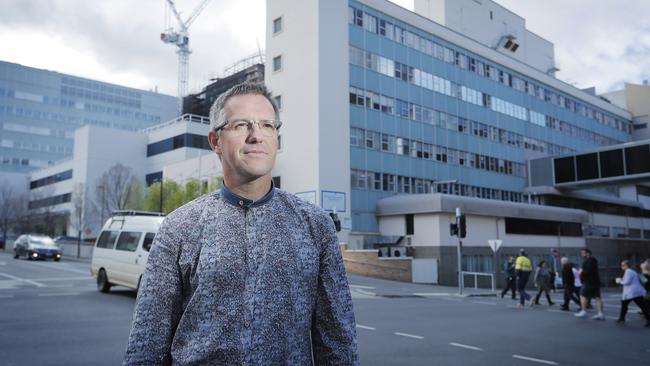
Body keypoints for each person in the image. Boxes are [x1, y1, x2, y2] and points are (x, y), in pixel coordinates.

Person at [124, 82, 359, 365]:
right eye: (241, 125)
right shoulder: (179, 227)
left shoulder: (315, 226)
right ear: (215, 141)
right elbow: (147, 344)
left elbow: (338, 342)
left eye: (267, 125)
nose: (256, 136)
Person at [615, 260, 650, 327]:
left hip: (632, 293)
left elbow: (627, 282)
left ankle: (622, 318)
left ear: (626, 265)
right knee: (641, 305)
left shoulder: (628, 272)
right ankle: (622, 318)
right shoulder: (631, 271)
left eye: (622, 265)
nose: (621, 266)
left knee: (639, 306)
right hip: (633, 292)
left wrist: (619, 281)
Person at [574, 248, 605, 321]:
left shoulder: (588, 261)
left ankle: (584, 311)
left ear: (587, 253)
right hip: (595, 281)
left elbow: (588, 271)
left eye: (583, 253)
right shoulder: (593, 260)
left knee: (582, 295)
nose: (582, 254)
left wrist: (581, 272)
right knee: (597, 297)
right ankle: (600, 314)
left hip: (588, 281)